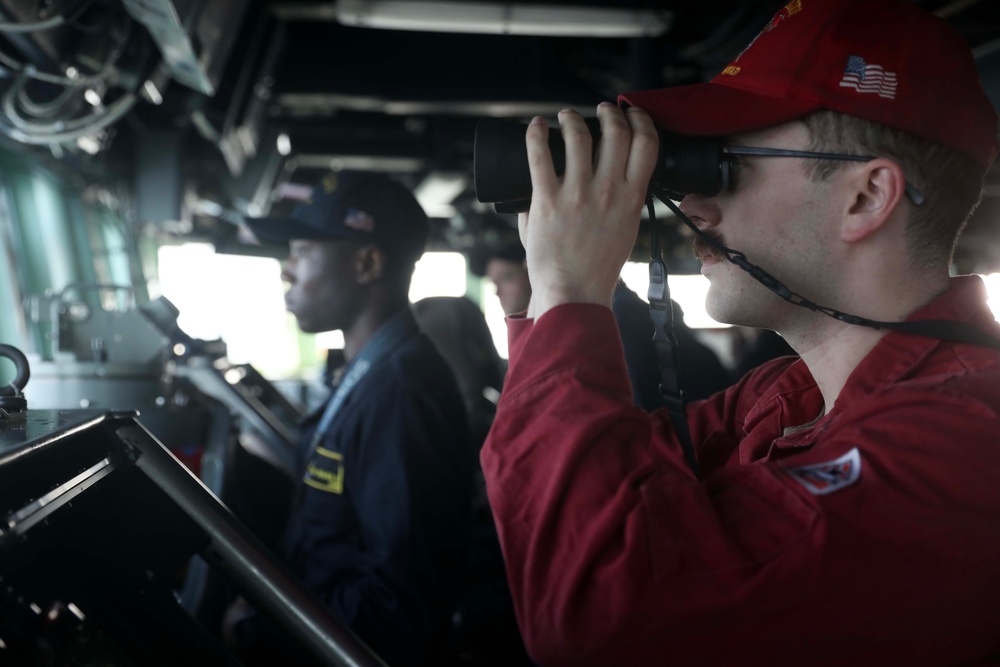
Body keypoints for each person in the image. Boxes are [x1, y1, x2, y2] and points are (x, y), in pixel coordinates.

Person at [480, 0, 1000, 665]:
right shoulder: (784, 398)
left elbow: (603, 619)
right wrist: (557, 292)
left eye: (730, 162)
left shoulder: (964, 440)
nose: (694, 204)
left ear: (866, 197)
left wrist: (570, 297)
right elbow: (563, 503)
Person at [227, 171, 475, 667]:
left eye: (300, 252)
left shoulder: (401, 392)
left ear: (366, 263)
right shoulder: (371, 374)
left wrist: (260, 627)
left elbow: (396, 606)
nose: (287, 272)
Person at [471, 238, 731, 408]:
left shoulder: (618, 321)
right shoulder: (605, 313)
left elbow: (634, 413)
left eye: (505, 278)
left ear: (535, 271)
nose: (497, 292)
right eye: (492, 283)